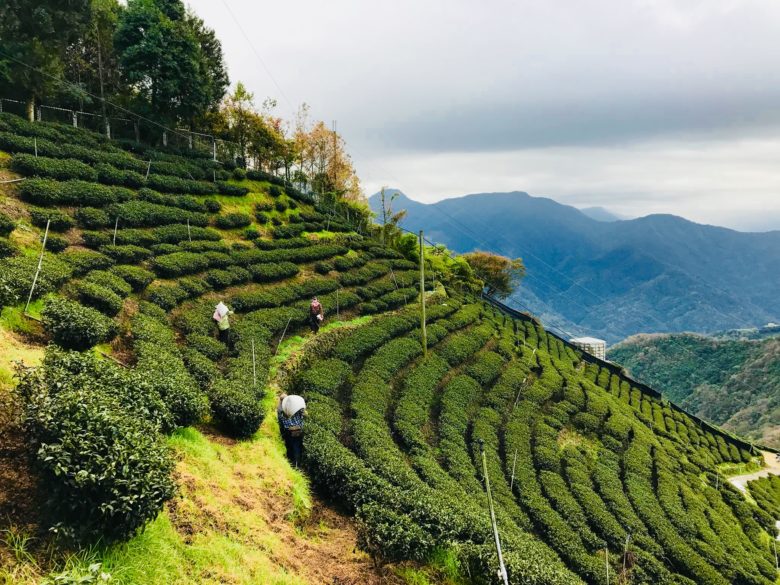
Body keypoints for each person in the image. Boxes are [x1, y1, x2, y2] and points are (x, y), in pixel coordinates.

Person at [277, 394, 306, 467]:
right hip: (299, 429)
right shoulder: (297, 408)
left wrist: (282, 433)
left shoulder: (281, 410)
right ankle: (298, 464)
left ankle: (291, 464)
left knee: (290, 447)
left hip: (289, 431)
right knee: (298, 447)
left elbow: (281, 423)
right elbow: (303, 415)